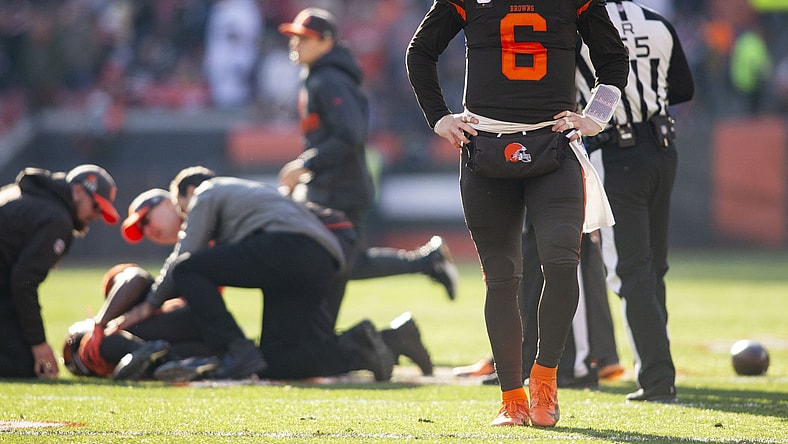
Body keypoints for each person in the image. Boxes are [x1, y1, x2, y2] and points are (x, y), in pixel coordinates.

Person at [407, 0, 628, 427]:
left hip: (553, 145)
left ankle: (545, 377)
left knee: (561, 264)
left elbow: (614, 59)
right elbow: (420, 51)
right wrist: (438, 118)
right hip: (486, 147)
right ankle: (511, 396)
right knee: (502, 276)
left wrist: (596, 116)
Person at [114, 167, 424, 382]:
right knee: (279, 362)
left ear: (190, 192)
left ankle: (236, 350)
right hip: (317, 262)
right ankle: (372, 344)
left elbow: (184, 255)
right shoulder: (251, 199)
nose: (186, 219)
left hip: (288, 249)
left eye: (184, 210)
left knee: (186, 267)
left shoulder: (207, 192)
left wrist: (149, 305)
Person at [277, 8, 459, 323]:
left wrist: (306, 164)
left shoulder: (329, 80)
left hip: (340, 192)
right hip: (330, 188)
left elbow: (350, 134)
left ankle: (321, 338)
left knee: (336, 265)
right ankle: (425, 263)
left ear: (326, 42)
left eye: (304, 38)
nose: (296, 43)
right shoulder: (319, 76)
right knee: (339, 264)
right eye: (295, 37)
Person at [582, 0, 694, 402]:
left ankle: (658, 378)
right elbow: (684, 88)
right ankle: (659, 370)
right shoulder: (657, 22)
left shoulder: (580, 24)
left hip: (617, 151)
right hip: (662, 148)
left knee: (630, 271)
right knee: (653, 268)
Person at [0, 164, 120, 378]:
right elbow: (23, 282)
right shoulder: (57, 219)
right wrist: (38, 342)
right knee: (25, 365)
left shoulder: (22, 195)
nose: (96, 216)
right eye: (96, 206)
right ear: (78, 191)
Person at [62, 263, 219, 381]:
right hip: (205, 343)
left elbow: (136, 278)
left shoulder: (132, 290)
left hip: (192, 317)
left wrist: (100, 324)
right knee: (164, 359)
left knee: (103, 343)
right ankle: (172, 363)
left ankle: (156, 358)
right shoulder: (129, 327)